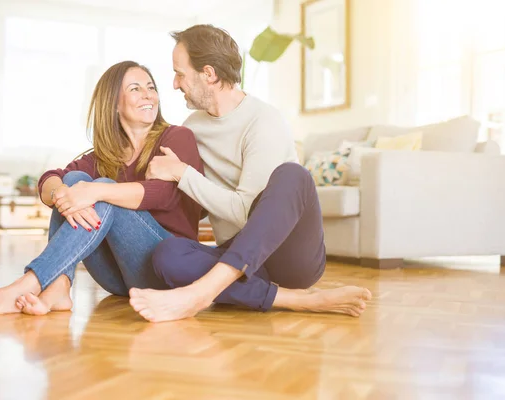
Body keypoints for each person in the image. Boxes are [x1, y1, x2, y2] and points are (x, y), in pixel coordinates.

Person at [129, 25, 372, 323]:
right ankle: (297, 301)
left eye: (180, 73)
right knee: (167, 255)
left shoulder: (264, 121)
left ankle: (201, 293)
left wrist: (182, 174)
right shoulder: (192, 127)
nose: (175, 84)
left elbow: (247, 214)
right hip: (241, 258)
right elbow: (199, 206)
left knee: (293, 176)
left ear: (209, 74)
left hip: (287, 256)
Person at [0, 61, 204, 316]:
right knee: (74, 180)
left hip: (165, 270)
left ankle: (31, 282)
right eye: (135, 88)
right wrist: (62, 194)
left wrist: (97, 192)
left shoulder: (178, 136)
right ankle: (58, 286)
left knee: (99, 188)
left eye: (151, 87)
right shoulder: (103, 157)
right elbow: (50, 178)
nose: (148, 95)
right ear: (113, 104)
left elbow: (165, 194)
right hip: (119, 279)